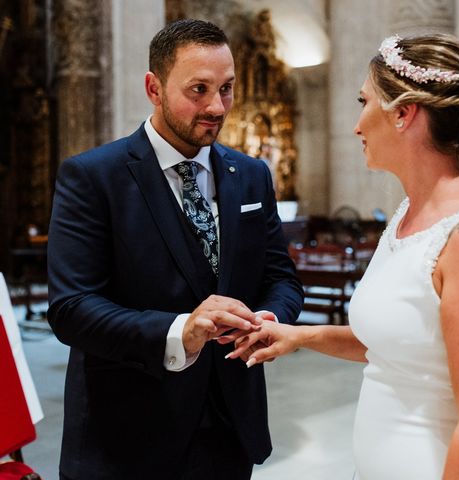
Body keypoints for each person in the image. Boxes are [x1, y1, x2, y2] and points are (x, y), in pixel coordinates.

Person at [225, 34, 459, 479]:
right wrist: (298, 336)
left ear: (404, 114)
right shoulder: (411, 212)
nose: (356, 125)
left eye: (363, 101)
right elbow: (398, 343)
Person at [47, 19, 303, 480]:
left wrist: (268, 320)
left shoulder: (250, 175)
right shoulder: (93, 176)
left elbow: (280, 277)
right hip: (127, 435)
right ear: (154, 87)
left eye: (226, 89)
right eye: (198, 89)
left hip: (230, 427)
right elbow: (72, 308)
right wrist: (179, 331)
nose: (216, 106)